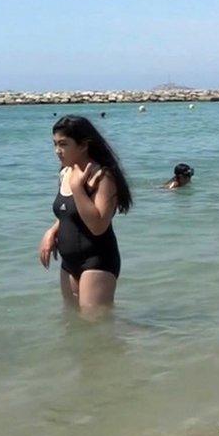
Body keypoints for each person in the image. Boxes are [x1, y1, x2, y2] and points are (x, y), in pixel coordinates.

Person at [39, 115, 132, 310]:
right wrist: (52, 231)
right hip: (68, 262)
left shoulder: (103, 176)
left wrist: (77, 188)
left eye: (63, 144)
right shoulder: (65, 172)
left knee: (96, 326)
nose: (57, 151)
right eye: (55, 144)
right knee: (74, 324)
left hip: (97, 260)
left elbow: (98, 225)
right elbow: (69, 213)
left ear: (83, 145)